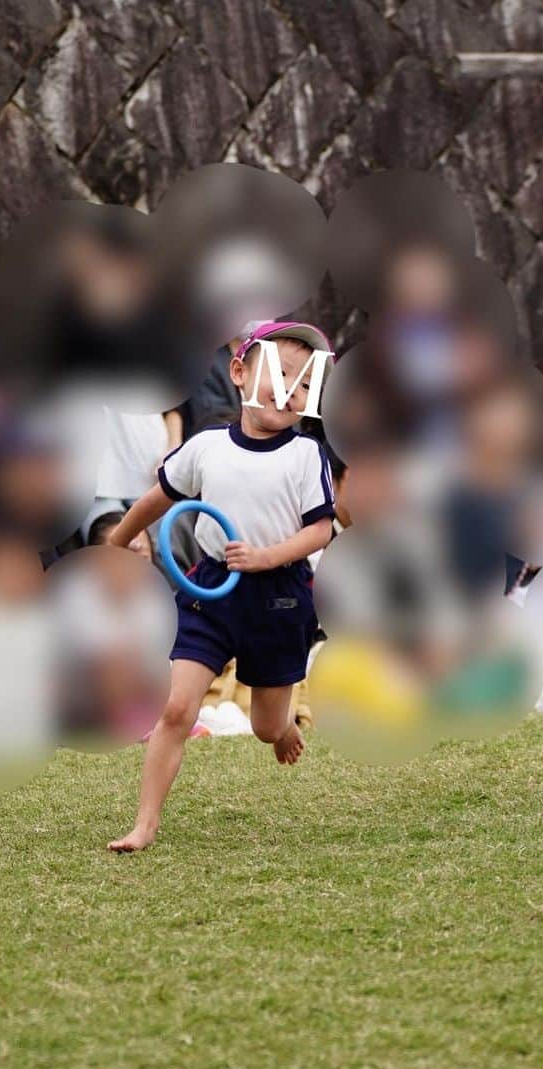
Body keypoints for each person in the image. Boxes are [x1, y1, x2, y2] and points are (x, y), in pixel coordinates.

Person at [106, 322, 335, 853]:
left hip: (280, 597)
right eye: (278, 375)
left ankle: (282, 729)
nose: (289, 392)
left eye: (302, 384)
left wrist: (263, 558)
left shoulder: (306, 456)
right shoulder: (206, 446)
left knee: (264, 726)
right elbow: (157, 498)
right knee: (175, 710)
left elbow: (320, 529)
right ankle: (144, 825)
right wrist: (116, 545)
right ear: (239, 372)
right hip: (209, 591)